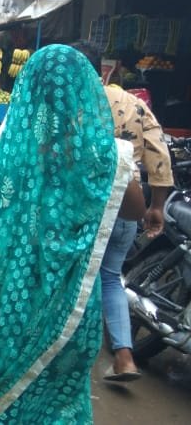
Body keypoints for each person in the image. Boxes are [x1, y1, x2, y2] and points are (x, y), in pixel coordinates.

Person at [0, 45, 146, 423]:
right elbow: (135, 210)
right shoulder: (102, 156)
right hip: (68, 317)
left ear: (25, 88)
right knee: (60, 409)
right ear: (85, 90)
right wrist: (107, 153)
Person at [69, 42, 174, 382]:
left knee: (71, 276)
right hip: (127, 206)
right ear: (101, 70)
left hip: (81, 208)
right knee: (111, 277)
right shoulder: (133, 104)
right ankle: (124, 357)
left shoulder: (70, 104)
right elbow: (159, 153)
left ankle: (67, 355)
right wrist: (156, 205)